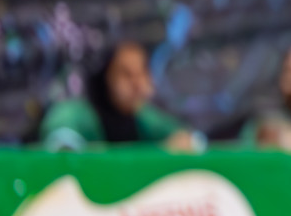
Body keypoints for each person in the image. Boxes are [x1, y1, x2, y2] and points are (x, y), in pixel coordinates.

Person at [40, 41, 201, 151]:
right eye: (127, 74)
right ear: (106, 77)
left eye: (142, 73)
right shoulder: (77, 114)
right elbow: (60, 143)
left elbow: (192, 140)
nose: (138, 83)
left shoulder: (144, 118)